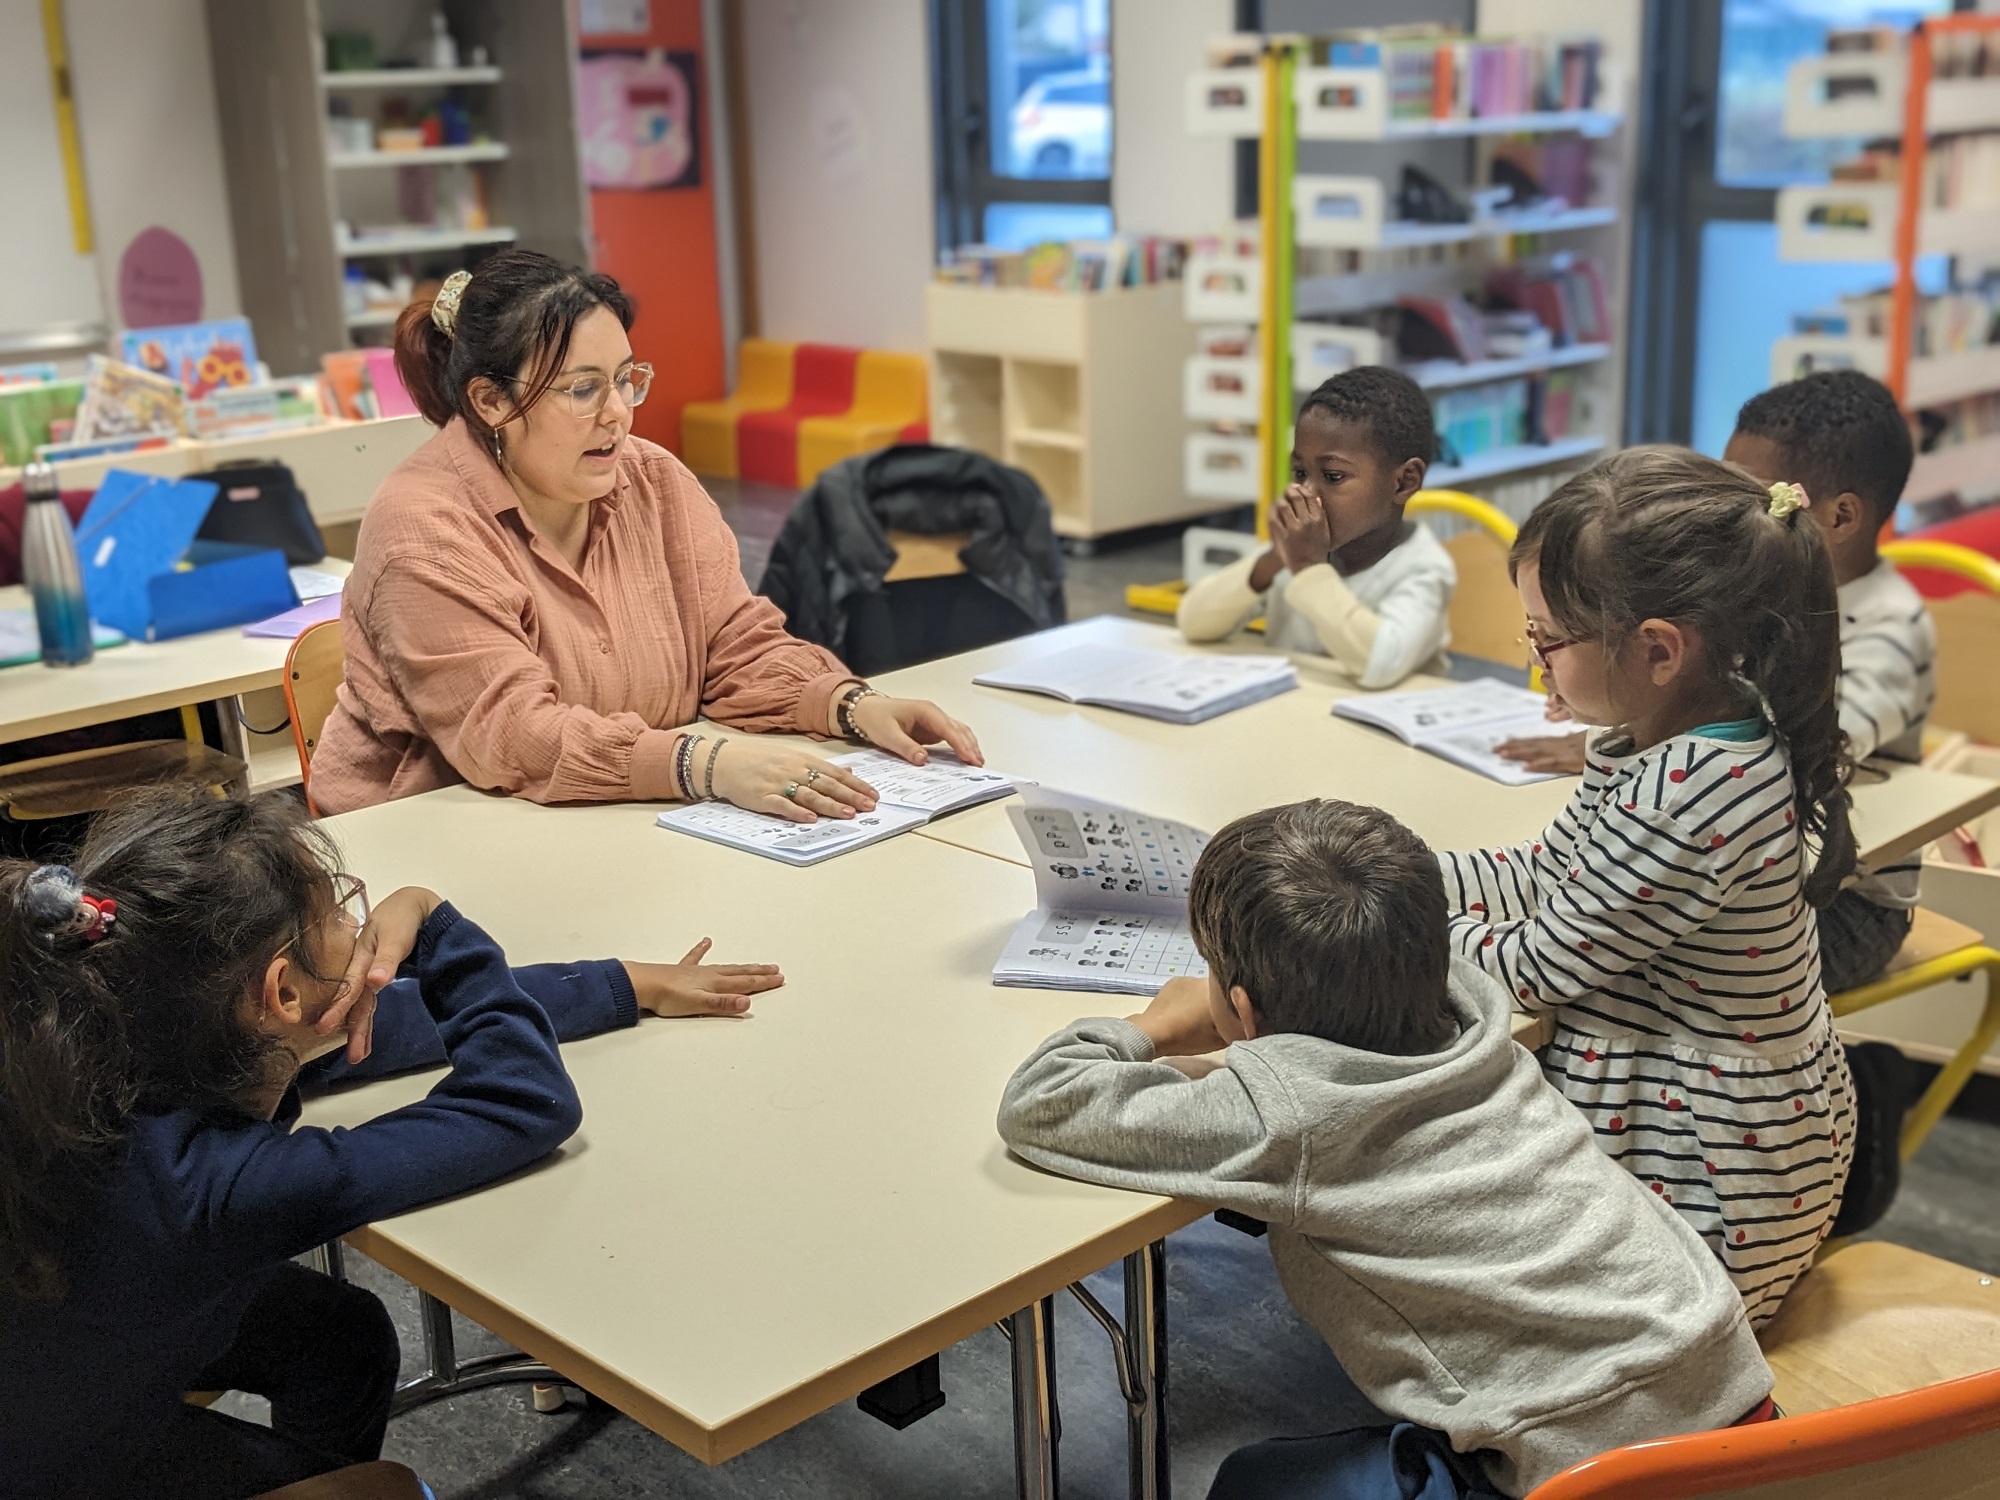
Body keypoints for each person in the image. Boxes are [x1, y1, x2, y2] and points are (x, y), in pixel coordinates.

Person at [0, 789, 785, 1500]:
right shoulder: (215, 1188)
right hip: (55, 1463)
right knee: (387, 1490)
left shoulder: (118, 1045)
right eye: (343, 912)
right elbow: (522, 1102)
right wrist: (435, 920)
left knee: (341, 1335)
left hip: (54, 1363)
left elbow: (402, 1023)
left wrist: (619, 983)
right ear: (282, 994)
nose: (361, 923)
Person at [998, 799, 1773, 1500]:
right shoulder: (1477, 1022)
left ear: (1241, 1009)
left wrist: (1155, 1027)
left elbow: (1043, 1102)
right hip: (1747, 1408)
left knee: (1252, 1483)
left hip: (1594, 1476)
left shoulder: (1285, 1119)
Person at [312, 249, 980, 819]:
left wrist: (849, 705)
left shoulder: (652, 481)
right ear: (491, 403)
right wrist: (705, 762)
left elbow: (735, 648)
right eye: (582, 390)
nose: (618, 415)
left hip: (611, 824)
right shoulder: (423, 526)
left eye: (626, 380)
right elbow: (514, 738)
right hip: (427, 849)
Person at [1438, 448, 1857, 1327]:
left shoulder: (1697, 788)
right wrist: (1408, 875)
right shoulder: (1677, 735)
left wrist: (1393, 922)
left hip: (1703, 1191)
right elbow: (1549, 874)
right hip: (1700, 1144)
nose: (1534, 660)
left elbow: (1537, 969)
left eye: (1546, 637)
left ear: (1659, 649)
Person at [1176, 367, 1456, 689]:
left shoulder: (1424, 569)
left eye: (1333, 476)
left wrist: (1309, 568)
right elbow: (1193, 622)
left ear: (1403, 482)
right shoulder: (1297, 551)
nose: (1306, 493)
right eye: (1299, 473)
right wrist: (1273, 561)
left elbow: (1379, 665)